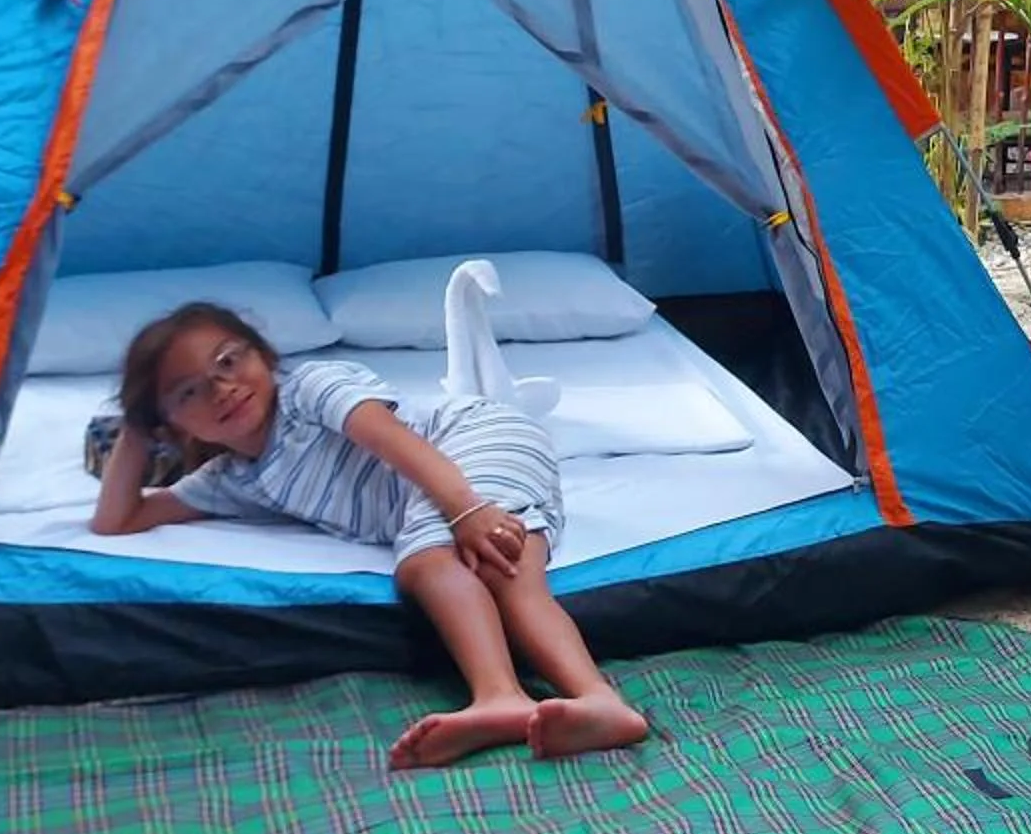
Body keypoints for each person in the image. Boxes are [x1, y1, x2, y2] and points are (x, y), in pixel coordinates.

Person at [92, 302, 650, 767]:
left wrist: (465, 509)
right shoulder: (234, 479)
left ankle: (526, 696)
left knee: (451, 563)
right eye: (189, 392)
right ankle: (578, 704)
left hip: (470, 441)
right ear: (172, 424)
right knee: (488, 567)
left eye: (229, 361)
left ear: (263, 355)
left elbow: (392, 441)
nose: (222, 388)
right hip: (447, 489)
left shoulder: (311, 388)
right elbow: (118, 520)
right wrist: (138, 429)